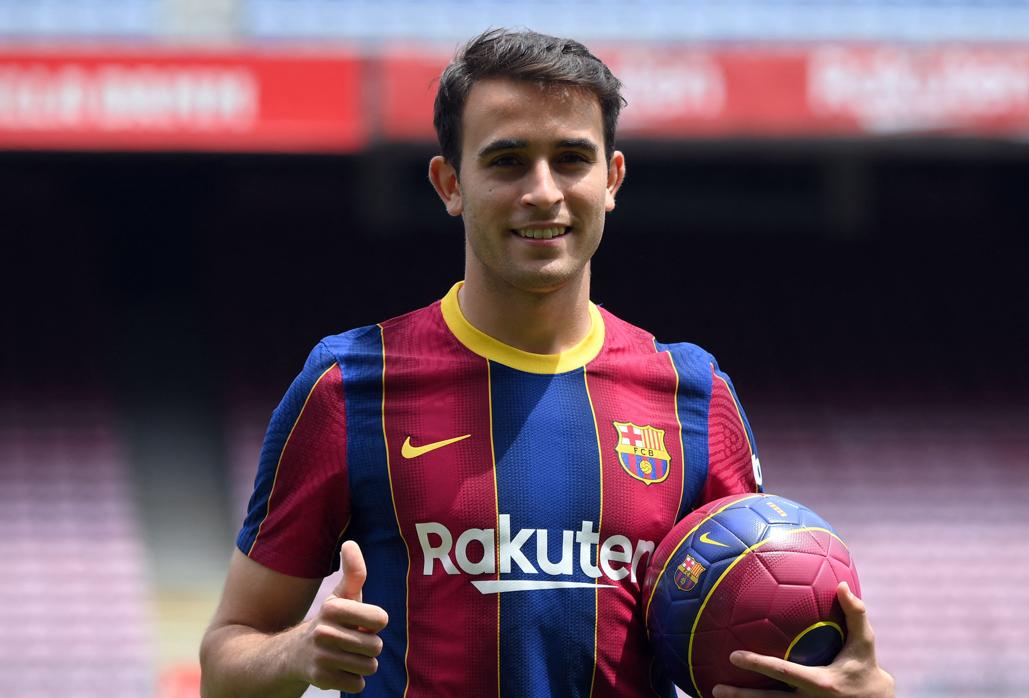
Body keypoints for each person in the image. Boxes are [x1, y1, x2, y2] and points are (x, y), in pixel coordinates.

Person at [199, 28, 893, 698]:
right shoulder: (348, 387)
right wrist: (300, 652)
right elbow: (227, 661)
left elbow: (740, 647)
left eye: (571, 158)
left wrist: (843, 690)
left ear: (612, 178)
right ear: (449, 183)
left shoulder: (696, 394)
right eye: (506, 160)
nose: (543, 190)